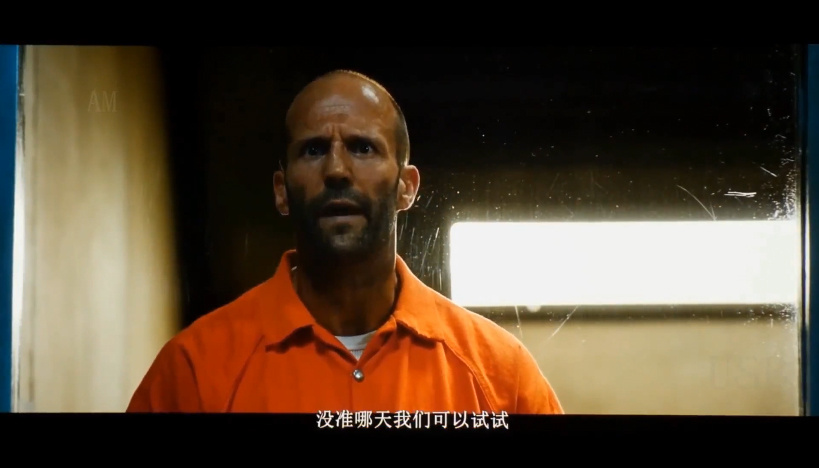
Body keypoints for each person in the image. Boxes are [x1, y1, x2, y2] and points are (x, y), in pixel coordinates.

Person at [127, 69, 563, 416]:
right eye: (314, 150)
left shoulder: (500, 373)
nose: (336, 170)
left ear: (406, 187)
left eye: (363, 148)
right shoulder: (192, 370)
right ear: (281, 191)